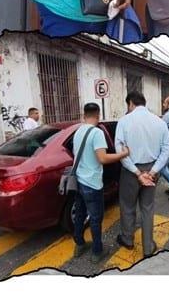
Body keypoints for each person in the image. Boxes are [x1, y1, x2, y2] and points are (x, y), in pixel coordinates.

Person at [114, 91, 169, 257]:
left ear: (130, 103)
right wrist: (152, 172)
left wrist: (137, 173)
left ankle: (128, 239)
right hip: (152, 169)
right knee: (147, 207)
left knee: (127, 206)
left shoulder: (124, 121)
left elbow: (120, 151)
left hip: (130, 170)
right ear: (144, 103)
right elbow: (166, 150)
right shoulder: (159, 122)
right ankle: (148, 247)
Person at [72, 103, 129, 262]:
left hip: (79, 180)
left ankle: (79, 245)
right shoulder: (97, 133)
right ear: (98, 115)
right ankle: (97, 252)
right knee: (96, 219)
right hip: (92, 183)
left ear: (84, 115)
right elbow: (102, 158)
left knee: (80, 215)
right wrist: (123, 154)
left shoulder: (78, 131)